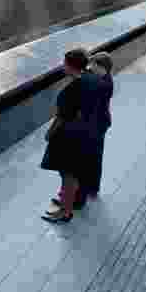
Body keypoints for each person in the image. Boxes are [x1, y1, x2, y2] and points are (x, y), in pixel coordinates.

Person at [41, 48, 103, 223]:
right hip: (86, 134)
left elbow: (62, 116)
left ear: (70, 66)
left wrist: (49, 133)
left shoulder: (72, 89)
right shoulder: (93, 80)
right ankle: (66, 207)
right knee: (73, 174)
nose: (62, 65)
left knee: (68, 175)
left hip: (69, 137)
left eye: (64, 63)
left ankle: (64, 212)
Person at [82, 52, 114, 198]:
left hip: (98, 124)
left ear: (101, 67)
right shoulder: (104, 77)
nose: (90, 67)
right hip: (99, 121)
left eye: (93, 64)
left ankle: (92, 189)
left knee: (94, 156)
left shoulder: (103, 84)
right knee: (94, 156)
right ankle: (91, 187)